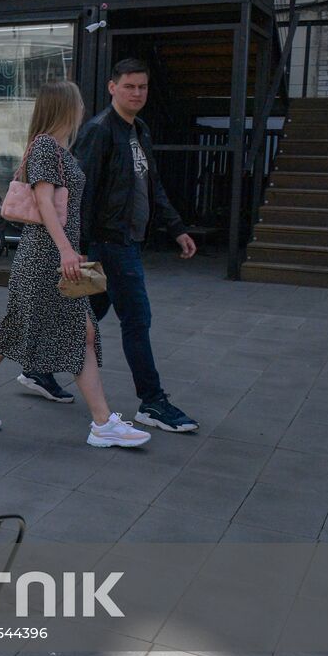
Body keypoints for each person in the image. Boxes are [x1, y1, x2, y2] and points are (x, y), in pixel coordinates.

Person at [0, 81, 150, 449]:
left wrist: (71, 249)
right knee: (45, 331)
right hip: (46, 258)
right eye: (78, 102)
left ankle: (100, 422)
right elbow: (43, 204)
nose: (83, 109)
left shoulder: (57, 149)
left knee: (76, 332)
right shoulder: (44, 146)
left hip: (55, 256)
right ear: (65, 107)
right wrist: (66, 251)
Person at [74, 59, 198, 433]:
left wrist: (177, 228)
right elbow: (83, 192)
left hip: (123, 241)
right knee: (137, 321)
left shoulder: (139, 131)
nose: (137, 93)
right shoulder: (99, 131)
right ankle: (152, 401)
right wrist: (77, 248)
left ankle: (38, 370)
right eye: (130, 86)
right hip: (108, 245)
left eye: (142, 87)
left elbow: (151, 187)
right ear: (113, 87)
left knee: (87, 317)